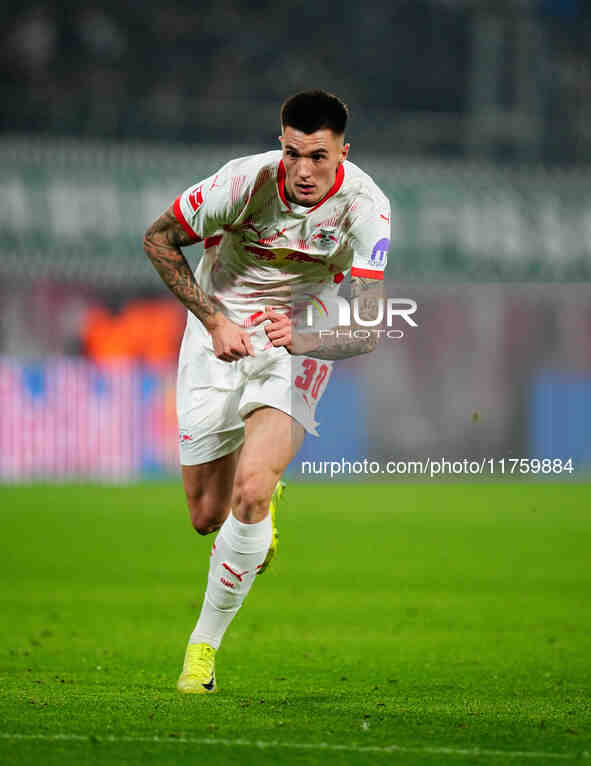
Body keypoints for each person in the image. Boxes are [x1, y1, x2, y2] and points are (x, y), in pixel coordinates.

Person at [142, 90, 390, 694]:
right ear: (281, 143)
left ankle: (201, 650)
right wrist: (214, 321)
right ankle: (257, 518)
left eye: (319, 157)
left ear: (343, 153)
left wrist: (304, 340)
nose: (304, 170)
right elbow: (158, 239)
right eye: (293, 153)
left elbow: (368, 328)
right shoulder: (242, 182)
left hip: (293, 342)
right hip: (216, 339)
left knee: (251, 491)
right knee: (206, 515)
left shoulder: (368, 208)